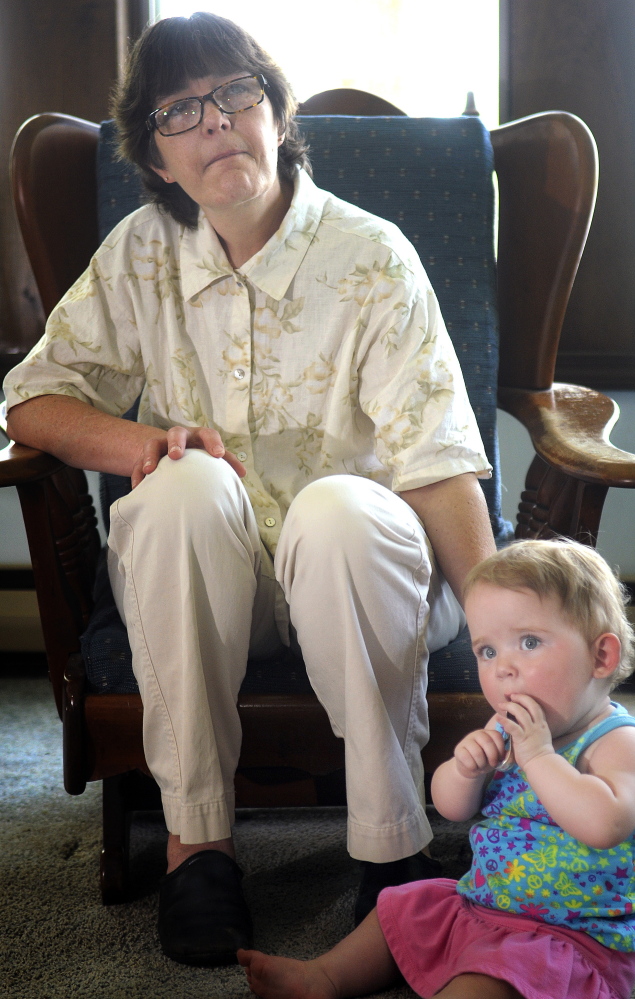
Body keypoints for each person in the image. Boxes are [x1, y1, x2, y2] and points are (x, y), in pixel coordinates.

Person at [2, 12, 495, 968]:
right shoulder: (141, 252)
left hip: (365, 577)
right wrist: (143, 438)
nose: (215, 123)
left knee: (336, 507)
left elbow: (435, 459)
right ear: (154, 152)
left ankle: (392, 847)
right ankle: (198, 848)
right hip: (220, 582)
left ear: (276, 111)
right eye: (180, 111)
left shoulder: (373, 257)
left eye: (236, 94)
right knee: (180, 485)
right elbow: (31, 400)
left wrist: (498, 621)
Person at [239, 539, 635, 999]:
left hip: (571, 939)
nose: (504, 668)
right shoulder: (508, 730)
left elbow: (605, 824)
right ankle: (325, 975)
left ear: (600, 656)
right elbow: (451, 808)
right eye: (487, 651)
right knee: (408, 906)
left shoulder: (615, 742)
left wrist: (540, 757)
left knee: (490, 979)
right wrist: (465, 772)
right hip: (483, 905)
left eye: (529, 642)